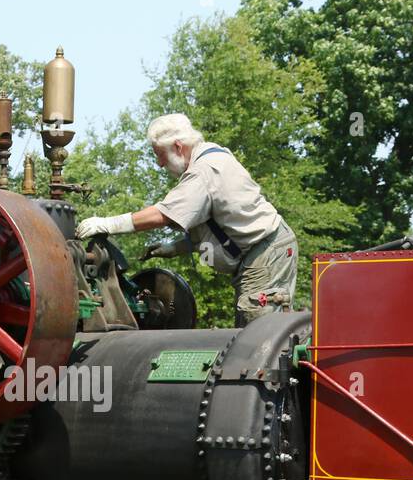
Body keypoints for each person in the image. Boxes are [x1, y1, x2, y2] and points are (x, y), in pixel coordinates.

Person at [75, 113, 299, 327]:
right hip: (268, 248)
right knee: (255, 330)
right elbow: (223, 230)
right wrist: (174, 248)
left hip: (265, 253)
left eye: (159, 154)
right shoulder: (215, 155)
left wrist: (107, 223)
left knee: (256, 334)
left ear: (178, 147)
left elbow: (162, 215)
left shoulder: (203, 171)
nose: (159, 164)